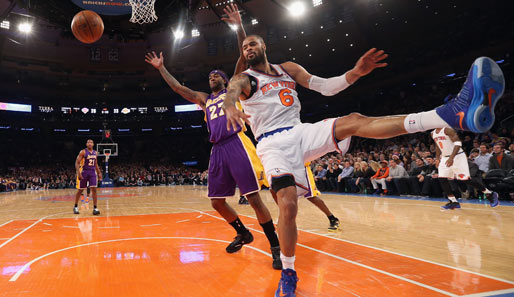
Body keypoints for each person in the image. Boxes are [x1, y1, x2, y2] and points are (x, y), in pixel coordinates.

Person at [221, 34, 504, 296]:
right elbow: (232, 91)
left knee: (354, 120)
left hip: (299, 132)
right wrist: (230, 105)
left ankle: (449, 113)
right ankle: (288, 271)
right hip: (271, 144)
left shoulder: (288, 69)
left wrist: (354, 73)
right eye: (244, 46)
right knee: (288, 204)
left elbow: (325, 87)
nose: (248, 48)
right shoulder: (244, 79)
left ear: (264, 46)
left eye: (253, 43)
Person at [145, 4, 283, 270]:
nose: (211, 78)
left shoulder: (233, 87)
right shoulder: (204, 99)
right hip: (217, 149)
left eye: (214, 75)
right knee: (217, 202)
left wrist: (238, 26)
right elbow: (178, 87)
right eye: (209, 76)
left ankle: (275, 247)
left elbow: (242, 58)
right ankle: (243, 232)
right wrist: (161, 68)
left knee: (254, 198)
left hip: (237, 143)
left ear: (224, 79)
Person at [433, 128, 499, 209]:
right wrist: (437, 158)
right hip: (444, 157)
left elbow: (458, 143)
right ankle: (453, 201)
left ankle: (490, 193)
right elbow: (438, 146)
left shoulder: (447, 130)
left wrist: (452, 157)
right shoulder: (433, 133)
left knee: (465, 179)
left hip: (457, 156)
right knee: (442, 178)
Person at [74, 139, 102, 215]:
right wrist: (78, 173)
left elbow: (96, 164)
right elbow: (77, 163)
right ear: (86, 144)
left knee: (94, 190)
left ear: (93, 144)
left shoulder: (95, 153)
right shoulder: (83, 152)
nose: (90, 143)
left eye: (91, 142)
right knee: (80, 190)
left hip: (92, 172)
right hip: (84, 172)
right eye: (88, 142)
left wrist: (99, 173)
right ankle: (75, 206)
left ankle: (95, 208)